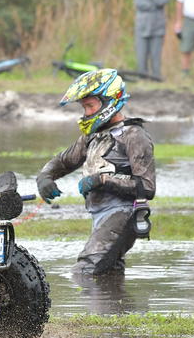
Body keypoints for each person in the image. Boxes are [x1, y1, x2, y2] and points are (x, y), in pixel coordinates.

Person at [35, 69, 155, 276]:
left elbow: (147, 187)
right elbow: (64, 160)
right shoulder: (92, 136)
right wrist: (45, 177)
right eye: (84, 107)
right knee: (108, 274)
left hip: (123, 214)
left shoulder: (134, 135)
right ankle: (117, 307)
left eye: (90, 106)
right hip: (99, 215)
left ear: (110, 100)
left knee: (85, 271)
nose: (87, 112)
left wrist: (101, 180)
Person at [133, 0, 169, 79]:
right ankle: (142, 77)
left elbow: (162, 1)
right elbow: (139, 4)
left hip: (157, 26)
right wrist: (153, 4)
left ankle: (155, 77)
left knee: (155, 54)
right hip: (142, 26)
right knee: (141, 54)